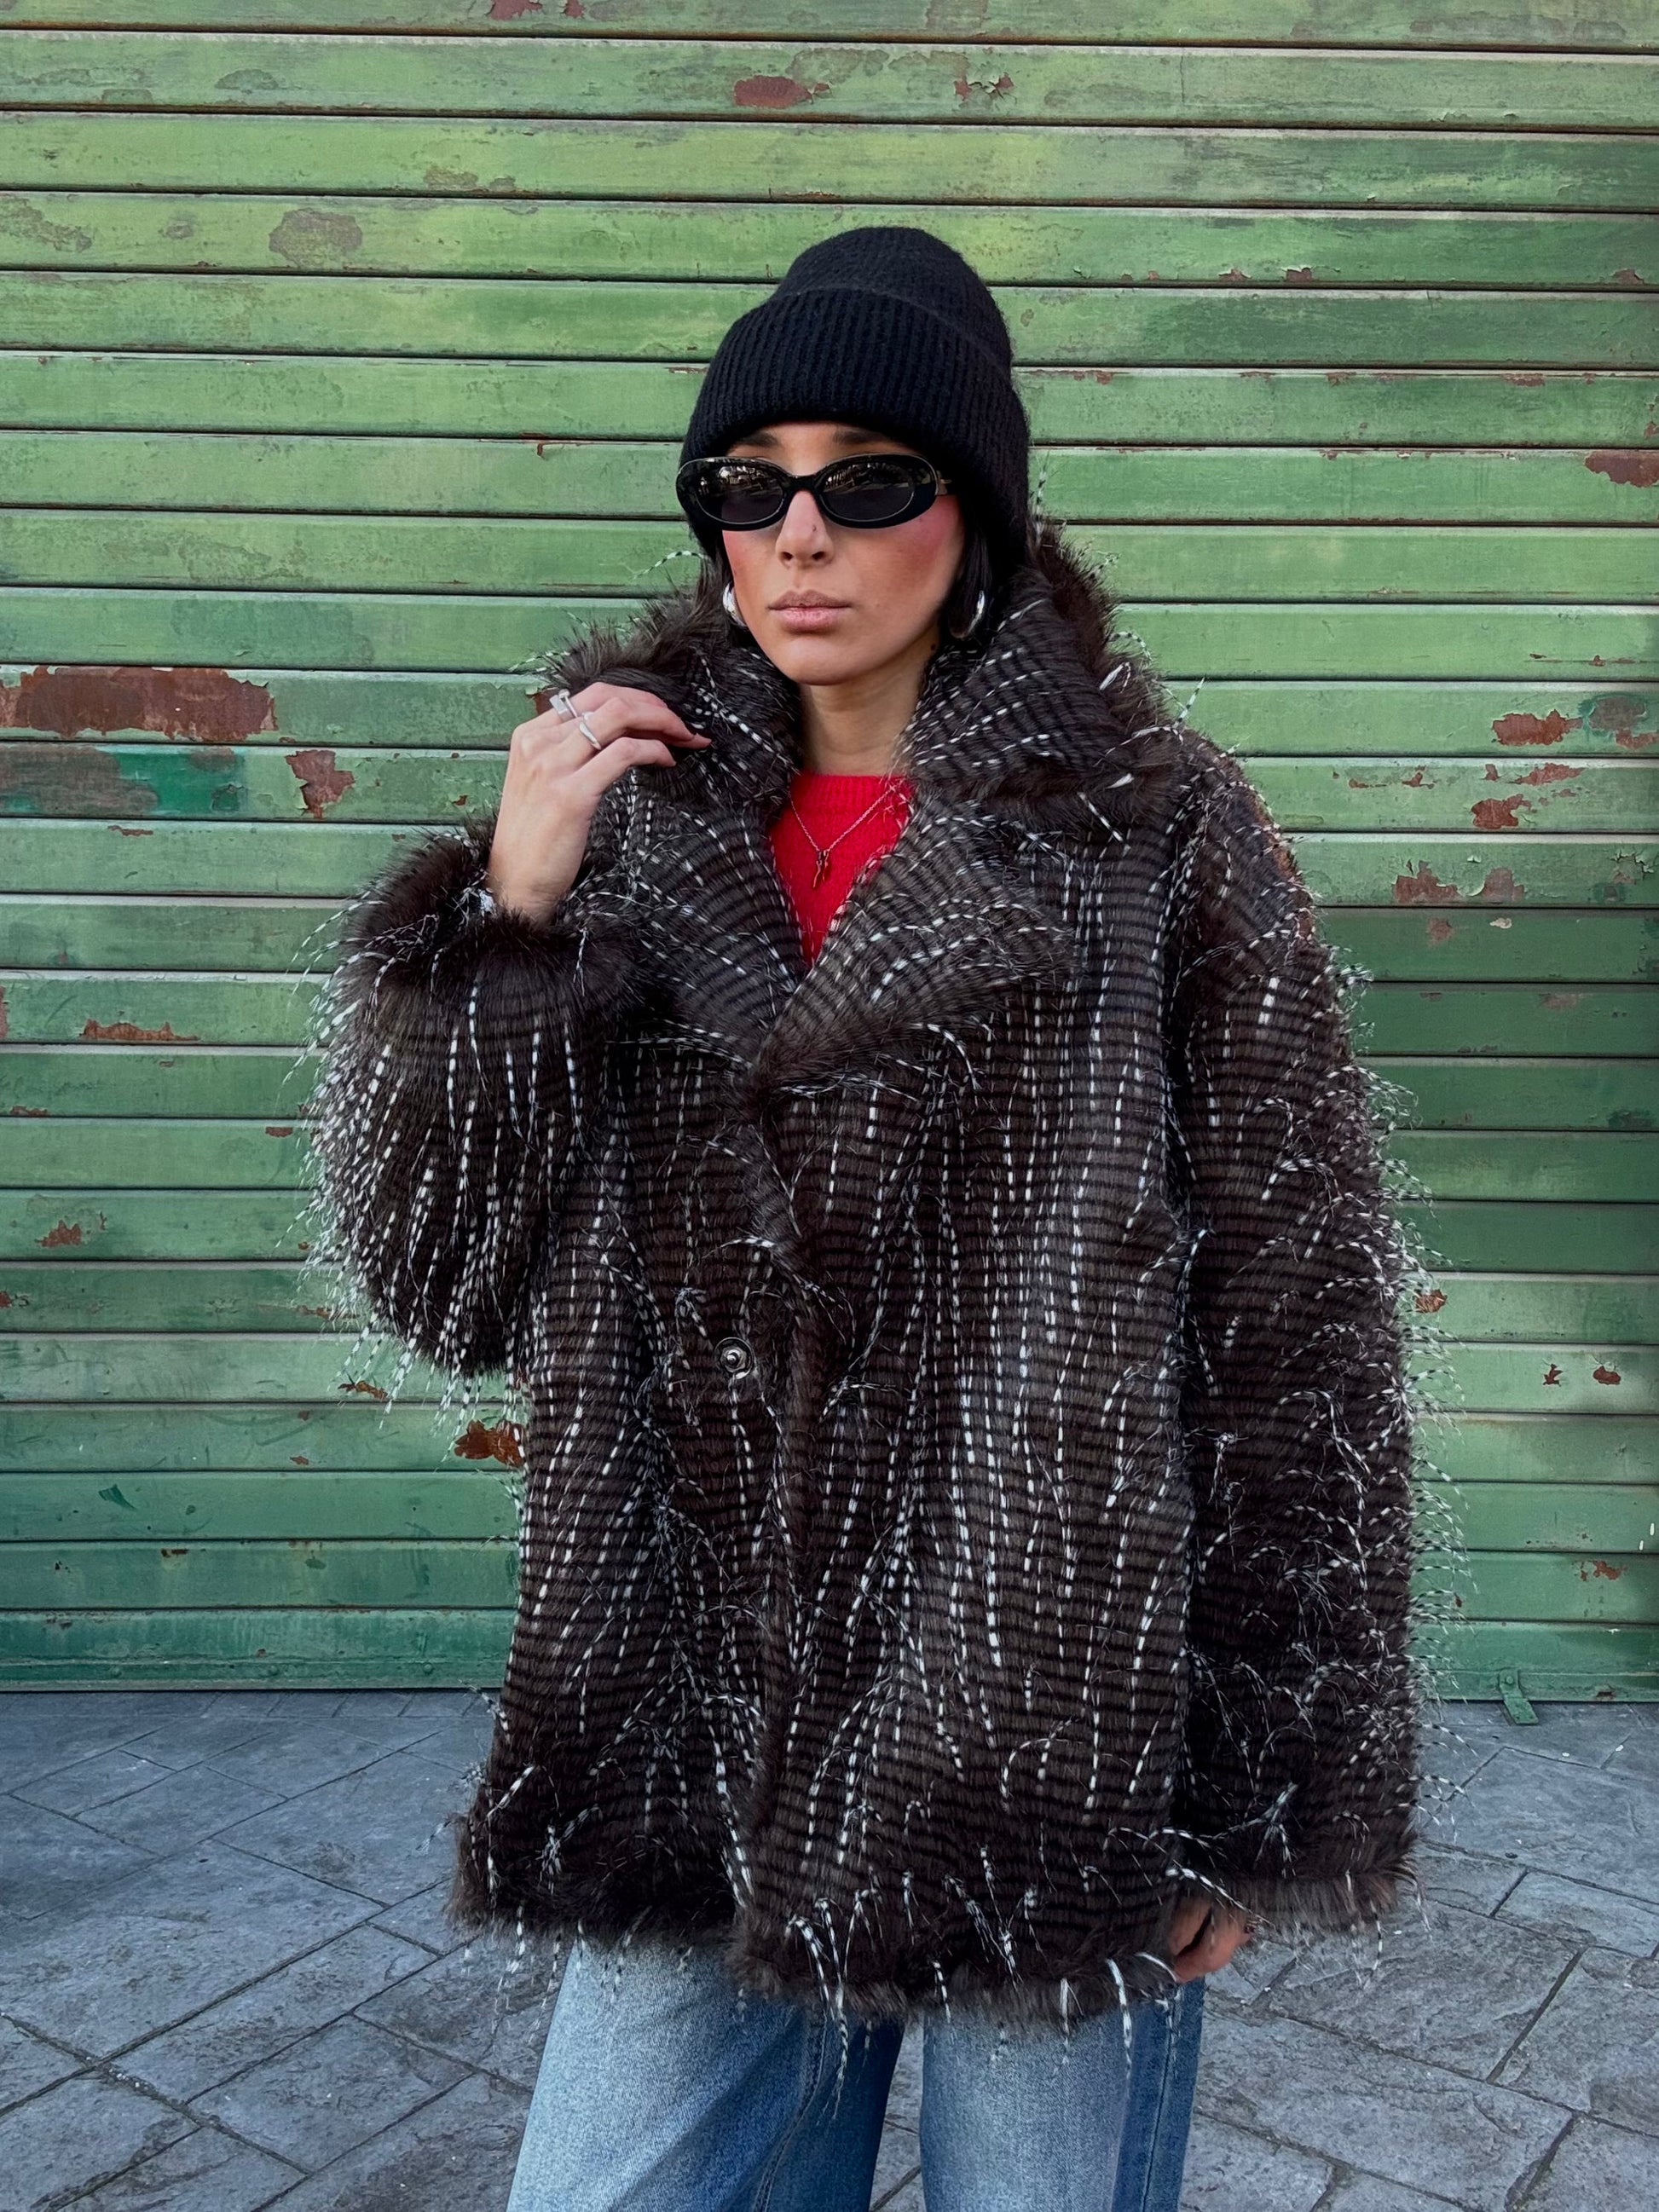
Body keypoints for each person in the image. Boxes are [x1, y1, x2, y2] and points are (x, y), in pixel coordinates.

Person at [308, 226, 1421, 2209]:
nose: (799, 532)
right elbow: (436, 1278)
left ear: (972, 513)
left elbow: (1299, 1326)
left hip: (1044, 1735)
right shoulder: (620, 817)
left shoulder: (1153, 830)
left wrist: (1257, 1788)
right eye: (748, 486)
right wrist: (510, 919)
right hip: (684, 1727)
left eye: (869, 479)